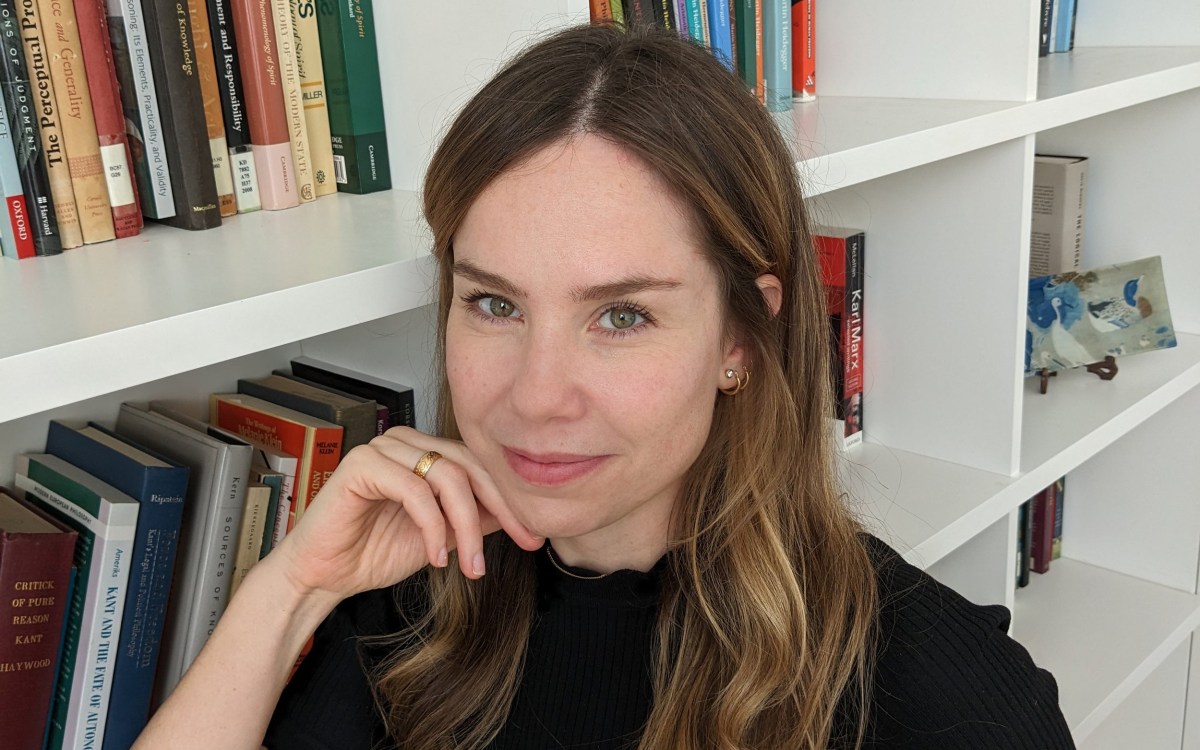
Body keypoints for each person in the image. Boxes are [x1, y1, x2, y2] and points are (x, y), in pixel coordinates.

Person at [133, 22, 1074, 750]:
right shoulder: (406, 609)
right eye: (495, 305)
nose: (537, 397)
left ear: (742, 338)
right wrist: (291, 585)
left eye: (621, 316)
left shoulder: (941, 695)